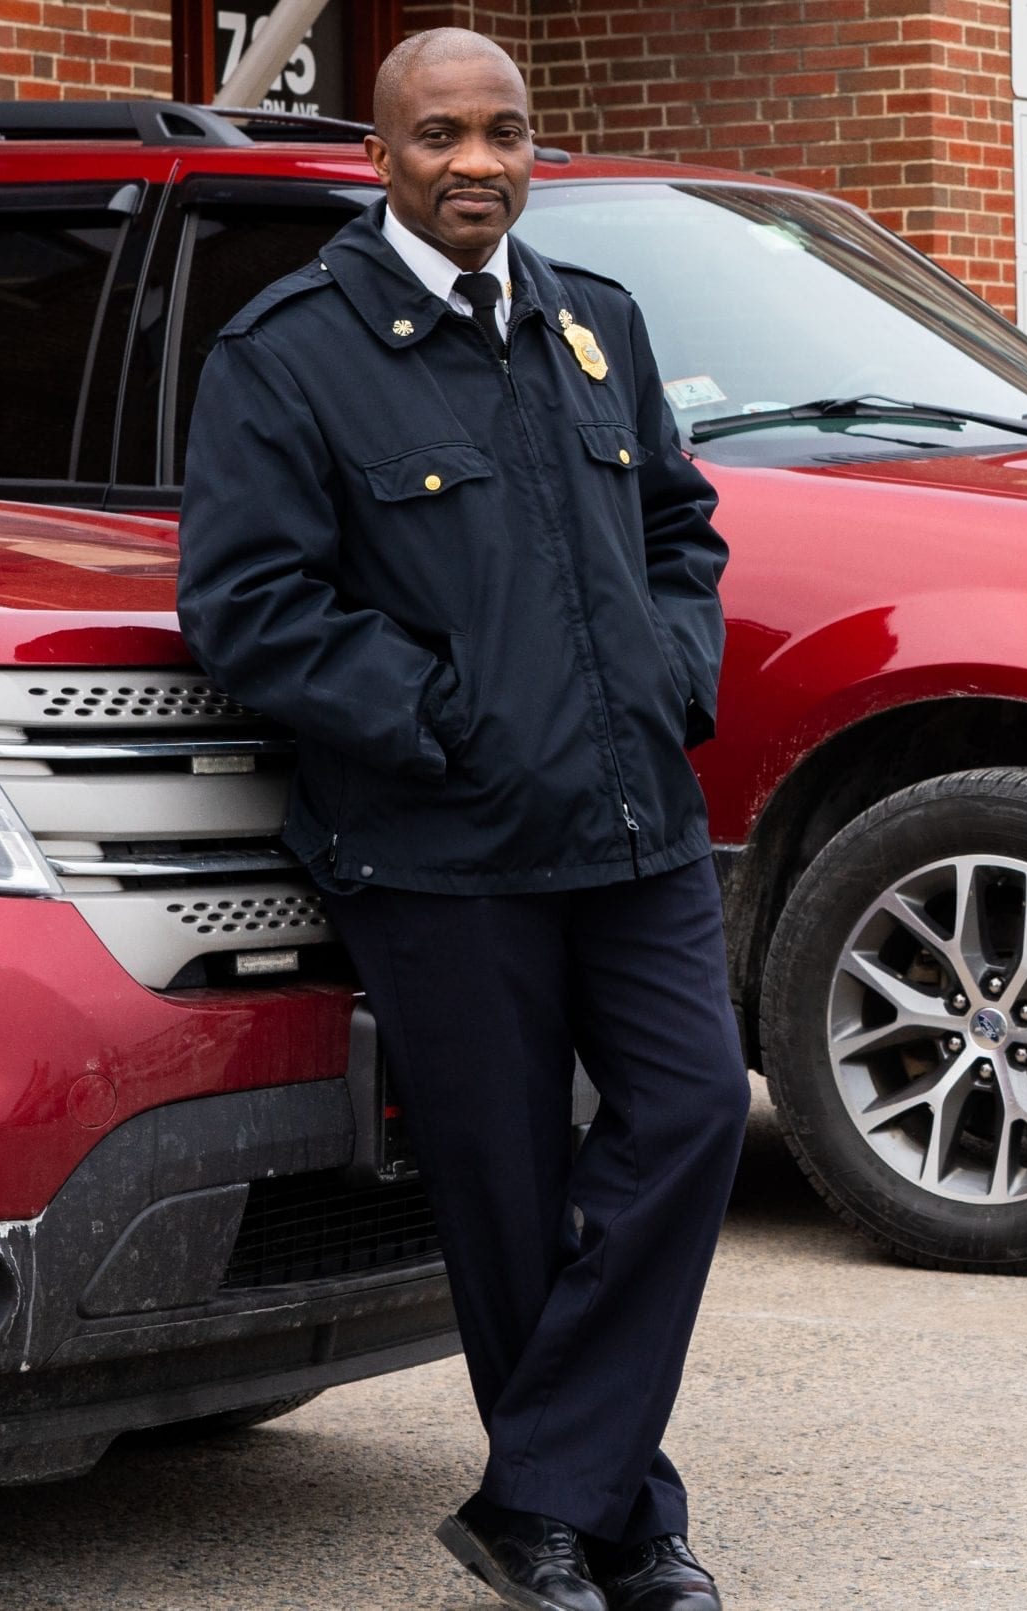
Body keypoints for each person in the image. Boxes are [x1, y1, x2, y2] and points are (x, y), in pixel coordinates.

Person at [174, 28, 745, 1611]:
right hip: (441, 847)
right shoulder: (290, 351)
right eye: (441, 136)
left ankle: (543, 1496)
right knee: (503, 1194)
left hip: (635, 820)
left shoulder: (593, 325)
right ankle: (611, 1525)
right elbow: (250, 607)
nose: (476, 164)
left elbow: (679, 530)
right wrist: (448, 721)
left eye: (503, 132)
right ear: (380, 152)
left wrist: (665, 676)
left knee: (694, 1116)